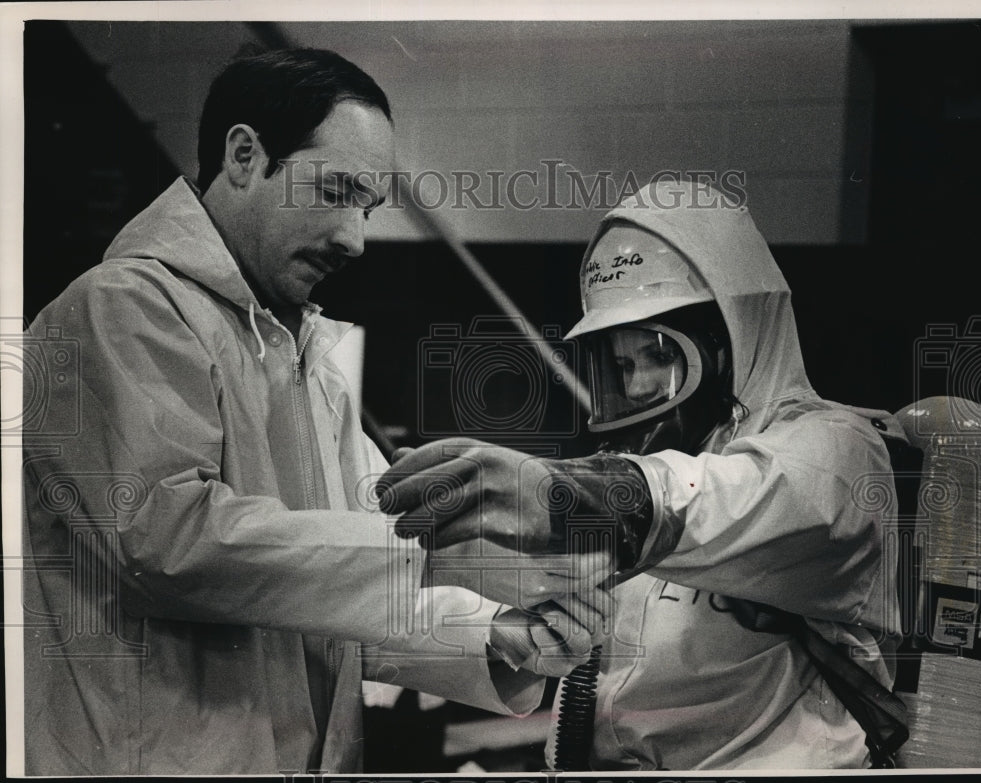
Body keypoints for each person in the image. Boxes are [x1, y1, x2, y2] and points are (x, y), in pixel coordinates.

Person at [20, 47, 597, 776]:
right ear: (242, 155)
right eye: (336, 191)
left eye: (368, 207)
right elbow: (171, 543)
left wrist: (497, 636)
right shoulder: (121, 309)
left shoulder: (303, 351)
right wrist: (440, 558)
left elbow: (336, 596)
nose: (354, 238)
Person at [379, 178, 906, 769]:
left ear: (732, 336)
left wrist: (556, 494)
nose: (637, 386)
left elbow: (716, 501)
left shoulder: (833, 450)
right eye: (624, 363)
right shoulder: (646, 468)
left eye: (659, 355)